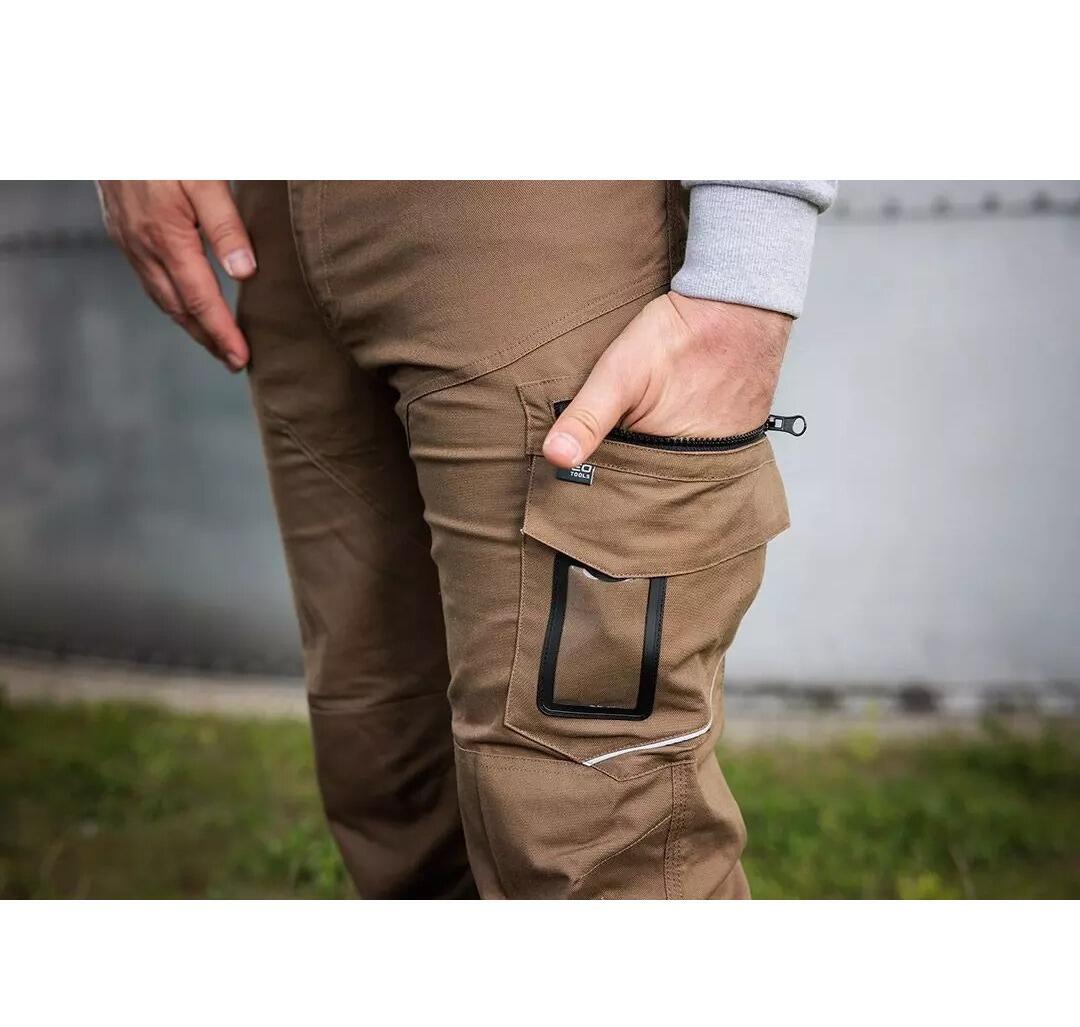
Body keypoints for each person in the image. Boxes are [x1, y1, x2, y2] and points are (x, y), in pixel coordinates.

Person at [98, 180, 836, 899]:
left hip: (539, 222)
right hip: (275, 218)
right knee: (392, 784)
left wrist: (747, 280)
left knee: (591, 827)